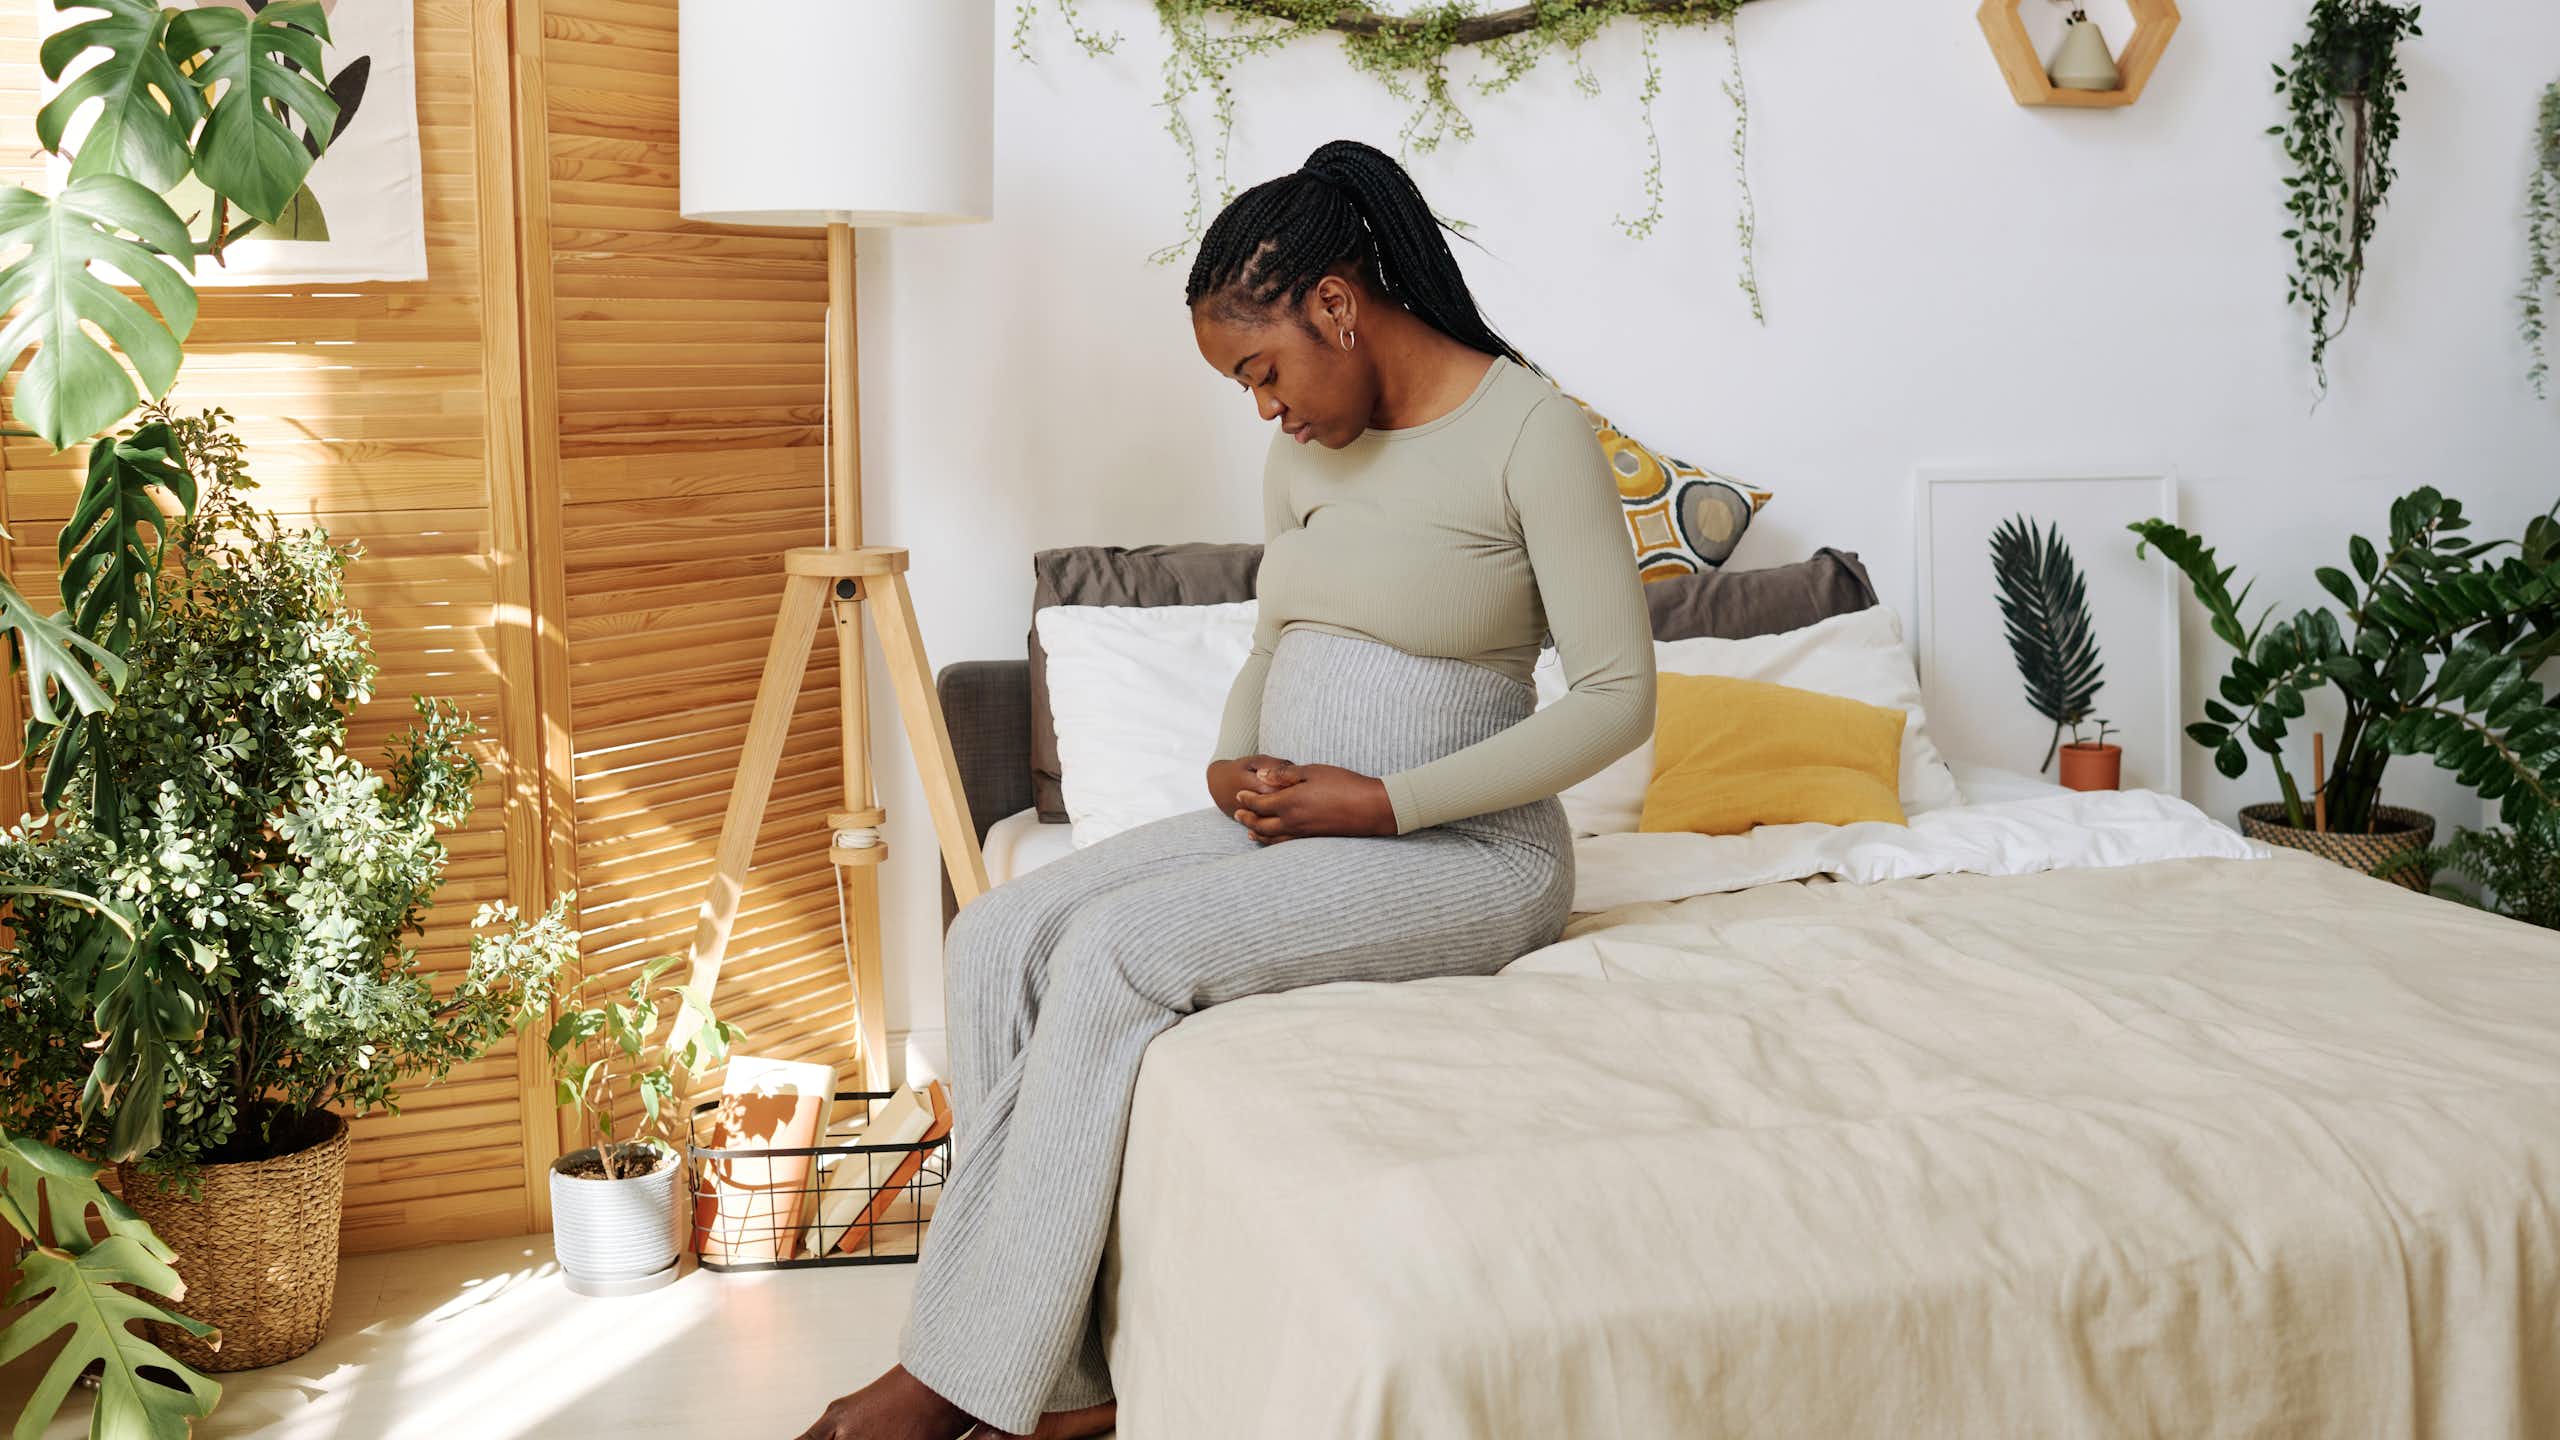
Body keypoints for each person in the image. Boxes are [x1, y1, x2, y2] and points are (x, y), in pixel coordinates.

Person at [792, 136, 1655, 1440]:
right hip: (1292, 825)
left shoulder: (1532, 433)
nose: (1268, 408)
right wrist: (1229, 757)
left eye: (1264, 370)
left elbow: (1617, 697)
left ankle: (953, 1378)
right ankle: (1067, 1384)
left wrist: (1386, 804)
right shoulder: (1310, 448)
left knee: (1114, 955)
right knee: (998, 937)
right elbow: (1270, 634)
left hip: (1466, 856)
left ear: (1336, 305)